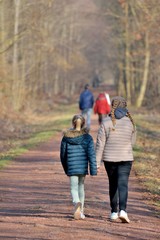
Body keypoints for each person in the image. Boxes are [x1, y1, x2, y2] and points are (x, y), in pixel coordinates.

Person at [95, 96, 136, 223]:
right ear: (125, 106)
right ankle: (123, 210)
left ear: (112, 106)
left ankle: (113, 212)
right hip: (126, 158)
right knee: (123, 184)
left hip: (109, 159)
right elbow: (132, 142)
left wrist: (96, 162)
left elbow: (100, 144)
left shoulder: (106, 122)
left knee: (113, 184)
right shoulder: (131, 122)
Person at [60, 114, 97, 220]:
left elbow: (63, 154)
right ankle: (81, 212)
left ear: (73, 123)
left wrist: (66, 167)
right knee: (81, 186)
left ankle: (76, 202)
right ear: (84, 123)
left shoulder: (66, 137)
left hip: (72, 166)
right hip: (82, 167)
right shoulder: (87, 137)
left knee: (73, 188)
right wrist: (93, 169)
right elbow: (91, 154)